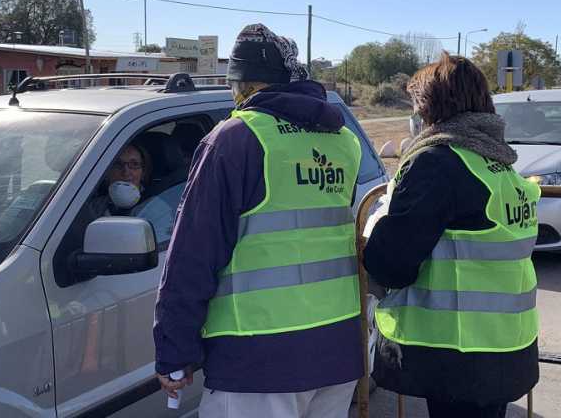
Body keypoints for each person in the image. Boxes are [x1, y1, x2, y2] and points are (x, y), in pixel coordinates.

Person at [153, 23, 364, 418]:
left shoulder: (235, 139)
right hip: (337, 350)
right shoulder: (343, 141)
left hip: (257, 361)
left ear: (243, 86)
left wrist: (175, 350)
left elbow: (193, 254)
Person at [363, 53, 540, 418]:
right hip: (504, 346)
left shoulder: (438, 163)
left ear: (432, 107)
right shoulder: (499, 165)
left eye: (416, 105)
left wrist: (381, 217)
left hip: (458, 355)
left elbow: (391, 262)